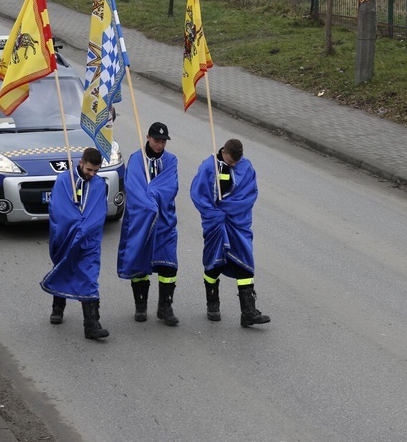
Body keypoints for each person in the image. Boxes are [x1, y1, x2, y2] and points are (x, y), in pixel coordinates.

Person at [190, 139, 270, 327]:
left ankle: (248, 311)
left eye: (236, 162)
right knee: (214, 263)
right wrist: (215, 214)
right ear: (224, 152)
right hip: (216, 224)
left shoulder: (246, 166)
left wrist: (229, 209)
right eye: (231, 162)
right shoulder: (209, 167)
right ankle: (213, 304)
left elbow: (250, 194)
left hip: (238, 225)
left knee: (245, 263)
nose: (234, 165)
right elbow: (198, 195)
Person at [40, 147, 110, 340]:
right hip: (66, 237)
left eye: (96, 171)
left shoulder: (98, 185)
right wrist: (74, 224)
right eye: (89, 170)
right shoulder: (64, 180)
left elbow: (99, 212)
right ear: (81, 163)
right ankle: (57, 307)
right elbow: (58, 210)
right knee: (64, 267)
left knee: (89, 277)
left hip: (89, 240)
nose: (92, 174)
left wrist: (84, 228)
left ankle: (92, 325)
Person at [117, 122, 180, 326]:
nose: (160, 145)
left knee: (168, 265)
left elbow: (170, 186)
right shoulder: (136, 159)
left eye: (163, 141)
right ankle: (140, 305)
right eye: (156, 140)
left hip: (164, 221)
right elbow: (133, 188)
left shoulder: (171, 161)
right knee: (139, 262)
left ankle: (165, 307)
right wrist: (148, 202)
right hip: (140, 221)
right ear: (147, 138)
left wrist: (151, 195)